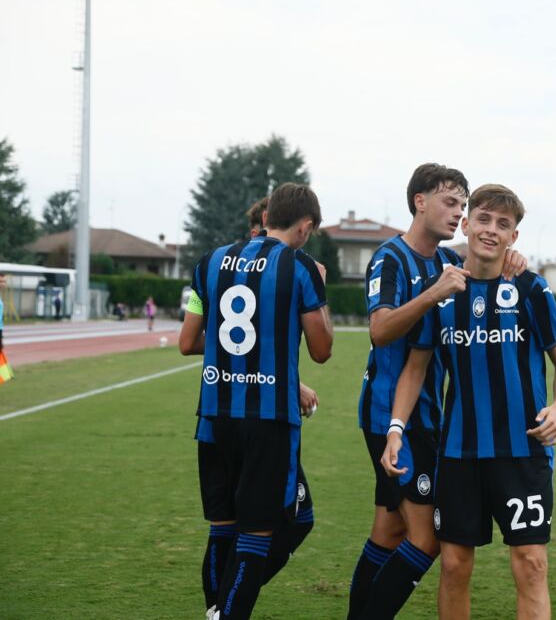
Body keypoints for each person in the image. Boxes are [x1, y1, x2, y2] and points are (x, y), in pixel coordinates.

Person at [382, 184, 556, 620]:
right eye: (483, 219)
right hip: (459, 454)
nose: (491, 230)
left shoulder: (531, 288)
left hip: (523, 451)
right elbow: (415, 369)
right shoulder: (440, 292)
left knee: (531, 564)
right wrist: (395, 430)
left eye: (503, 224)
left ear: (513, 237)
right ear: (466, 225)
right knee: (453, 565)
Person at [348, 164, 525, 619]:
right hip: (392, 414)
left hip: (429, 416)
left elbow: (486, 269)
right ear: (419, 201)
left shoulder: (447, 261)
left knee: (389, 532)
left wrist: (514, 262)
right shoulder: (390, 257)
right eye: (450, 202)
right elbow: (380, 331)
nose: (457, 213)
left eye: (462, 206)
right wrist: (432, 294)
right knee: (426, 539)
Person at [178, 182, 334, 619]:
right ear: (305, 227)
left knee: (223, 526)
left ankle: (216, 610)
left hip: (214, 415)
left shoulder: (210, 261)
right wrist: (320, 293)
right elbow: (322, 350)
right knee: (257, 535)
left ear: (266, 218)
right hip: (267, 420)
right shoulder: (301, 267)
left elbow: (191, 339)